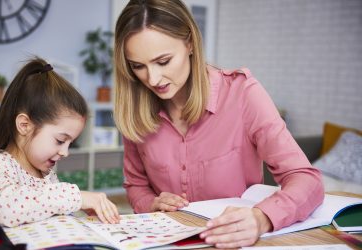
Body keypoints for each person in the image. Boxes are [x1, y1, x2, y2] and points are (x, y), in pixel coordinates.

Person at [113, 0, 324, 248]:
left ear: (190, 43)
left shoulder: (242, 94)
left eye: (163, 61)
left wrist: (262, 218)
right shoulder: (135, 109)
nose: (152, 78)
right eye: (138, 66)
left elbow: (306, 179)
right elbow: (136, 185)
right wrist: (151, 203)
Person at [0, 58, 120, 227]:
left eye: (70, 143)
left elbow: (49, 212)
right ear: (24, 125)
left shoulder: (46, 174)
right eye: (60, 140)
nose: (65, 152)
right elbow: (4, 210)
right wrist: (76, 197)